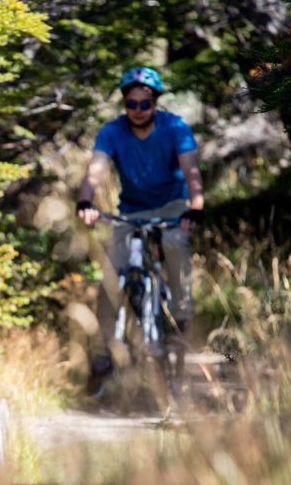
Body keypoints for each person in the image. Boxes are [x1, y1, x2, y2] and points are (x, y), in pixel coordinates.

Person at [76, 66, 203, 394]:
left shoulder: (175, 127)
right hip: (130, 212)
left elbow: (191, 172)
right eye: (130, 104)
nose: (137, 111)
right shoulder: (112, 131)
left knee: (175, 247)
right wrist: (86, 201)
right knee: (110, 277)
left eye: (143, 105)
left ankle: (180, 318)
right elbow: (96, 170)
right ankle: (103, 357)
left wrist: (194, 208)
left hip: (172, 209)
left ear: (155, 103)